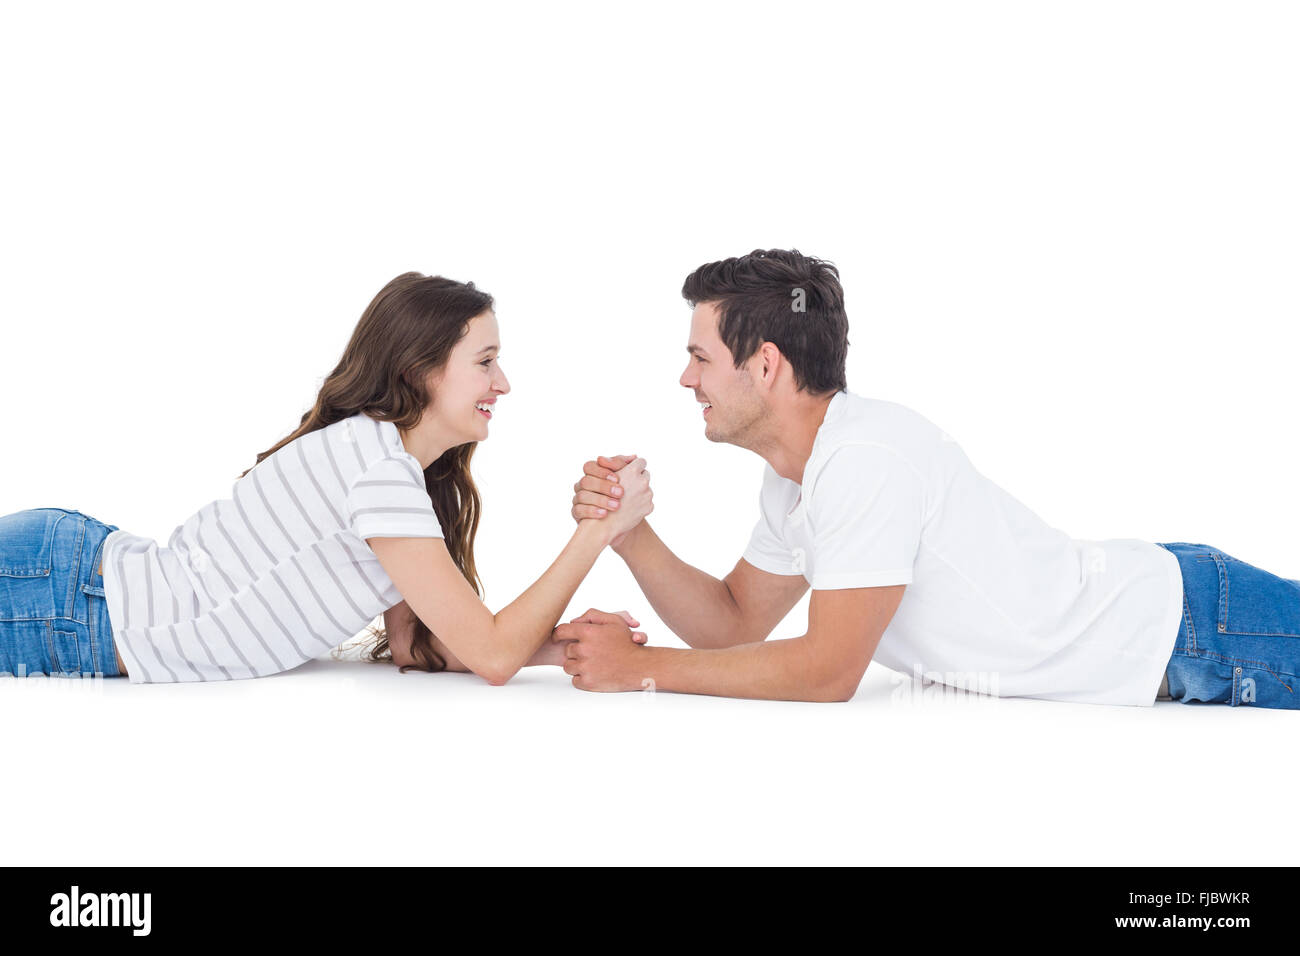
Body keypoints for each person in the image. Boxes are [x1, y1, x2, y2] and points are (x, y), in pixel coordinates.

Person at [558, 248, 1300, 709]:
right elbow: (734, 625)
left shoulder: (867, 459)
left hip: (1192, 628)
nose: (685, 377)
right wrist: (632, 536)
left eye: (701, 356)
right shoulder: (797, 478)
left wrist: (641, 669)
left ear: (765, 364)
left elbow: (826, 673)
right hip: (1176, 621)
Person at [0, 272, 652, 683]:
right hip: (67, 598)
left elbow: (418, 644)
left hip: (72, 593)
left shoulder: (396, 478)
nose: (503, 384)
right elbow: (491, 656)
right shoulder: (379, 474)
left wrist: (562, 645)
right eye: (485, 362)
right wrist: (597, 532)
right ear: (419, 370)